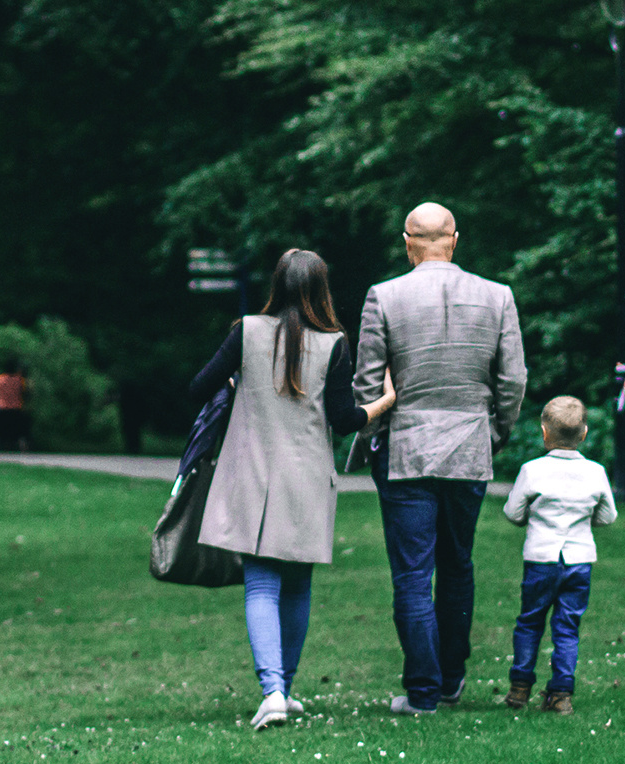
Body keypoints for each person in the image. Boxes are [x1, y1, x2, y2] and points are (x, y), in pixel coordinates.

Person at [191, 249, 397, 729]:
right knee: (298, 584)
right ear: (321, 289)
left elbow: (197, 389)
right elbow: (345, 420)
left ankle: (274, 690)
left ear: (277, 284)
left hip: (253, 474)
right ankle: (285, 686)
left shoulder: (245, 332)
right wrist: (385, 401)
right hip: (307, 478)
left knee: (262, 582)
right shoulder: (335, 344)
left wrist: (238, 375)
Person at [352, 201, 526, 716]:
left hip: (406, 450)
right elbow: (512, 380)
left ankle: (423, 694)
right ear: (456, 239)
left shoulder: (383, 296)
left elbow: (366, 383)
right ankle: (450, 681)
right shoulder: (498, 297)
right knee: (457, 567)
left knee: (411, 575)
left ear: (407, 241)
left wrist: (374, 437)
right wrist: (493, 433)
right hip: (469, 447)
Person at [500, 396, 617, 714]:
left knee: (530, 622)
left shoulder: (532, 470)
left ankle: (520, 687)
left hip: (541, 559)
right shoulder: (595, 472)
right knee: (567, 626)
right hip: (578, 560)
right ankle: (561, 693)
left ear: (544, 432)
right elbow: (607, 516)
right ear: (584, 433)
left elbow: (513, 512)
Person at [0, 360, 32, 451]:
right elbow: (26, 393)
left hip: (2, 410)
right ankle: (25, 453)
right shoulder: (19, 380)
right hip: (16, 410)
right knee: (22, 435)